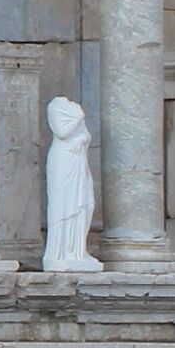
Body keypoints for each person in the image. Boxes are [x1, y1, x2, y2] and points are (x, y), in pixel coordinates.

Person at [41, 96, 100, 274]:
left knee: (87, 203)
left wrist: (82, 138)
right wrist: (78, 117)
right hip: (63, 159)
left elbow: (87, 135)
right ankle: (60, 252)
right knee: (63, 204)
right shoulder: (55, 106)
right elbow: (62, 132)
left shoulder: (74, 109)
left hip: (78, 160)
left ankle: (78, 250)